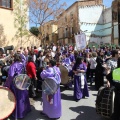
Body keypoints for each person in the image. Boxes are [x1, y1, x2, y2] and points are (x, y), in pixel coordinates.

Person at [4, 53, 31, 119]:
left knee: (17, 98)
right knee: (23, 96)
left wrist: (7, 84)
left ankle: (18, 114)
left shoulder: (13, 66)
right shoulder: (23, 64)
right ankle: (25, 110)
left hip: (16, 84)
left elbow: (10, 76)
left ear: (15, 58)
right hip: (23, 82)